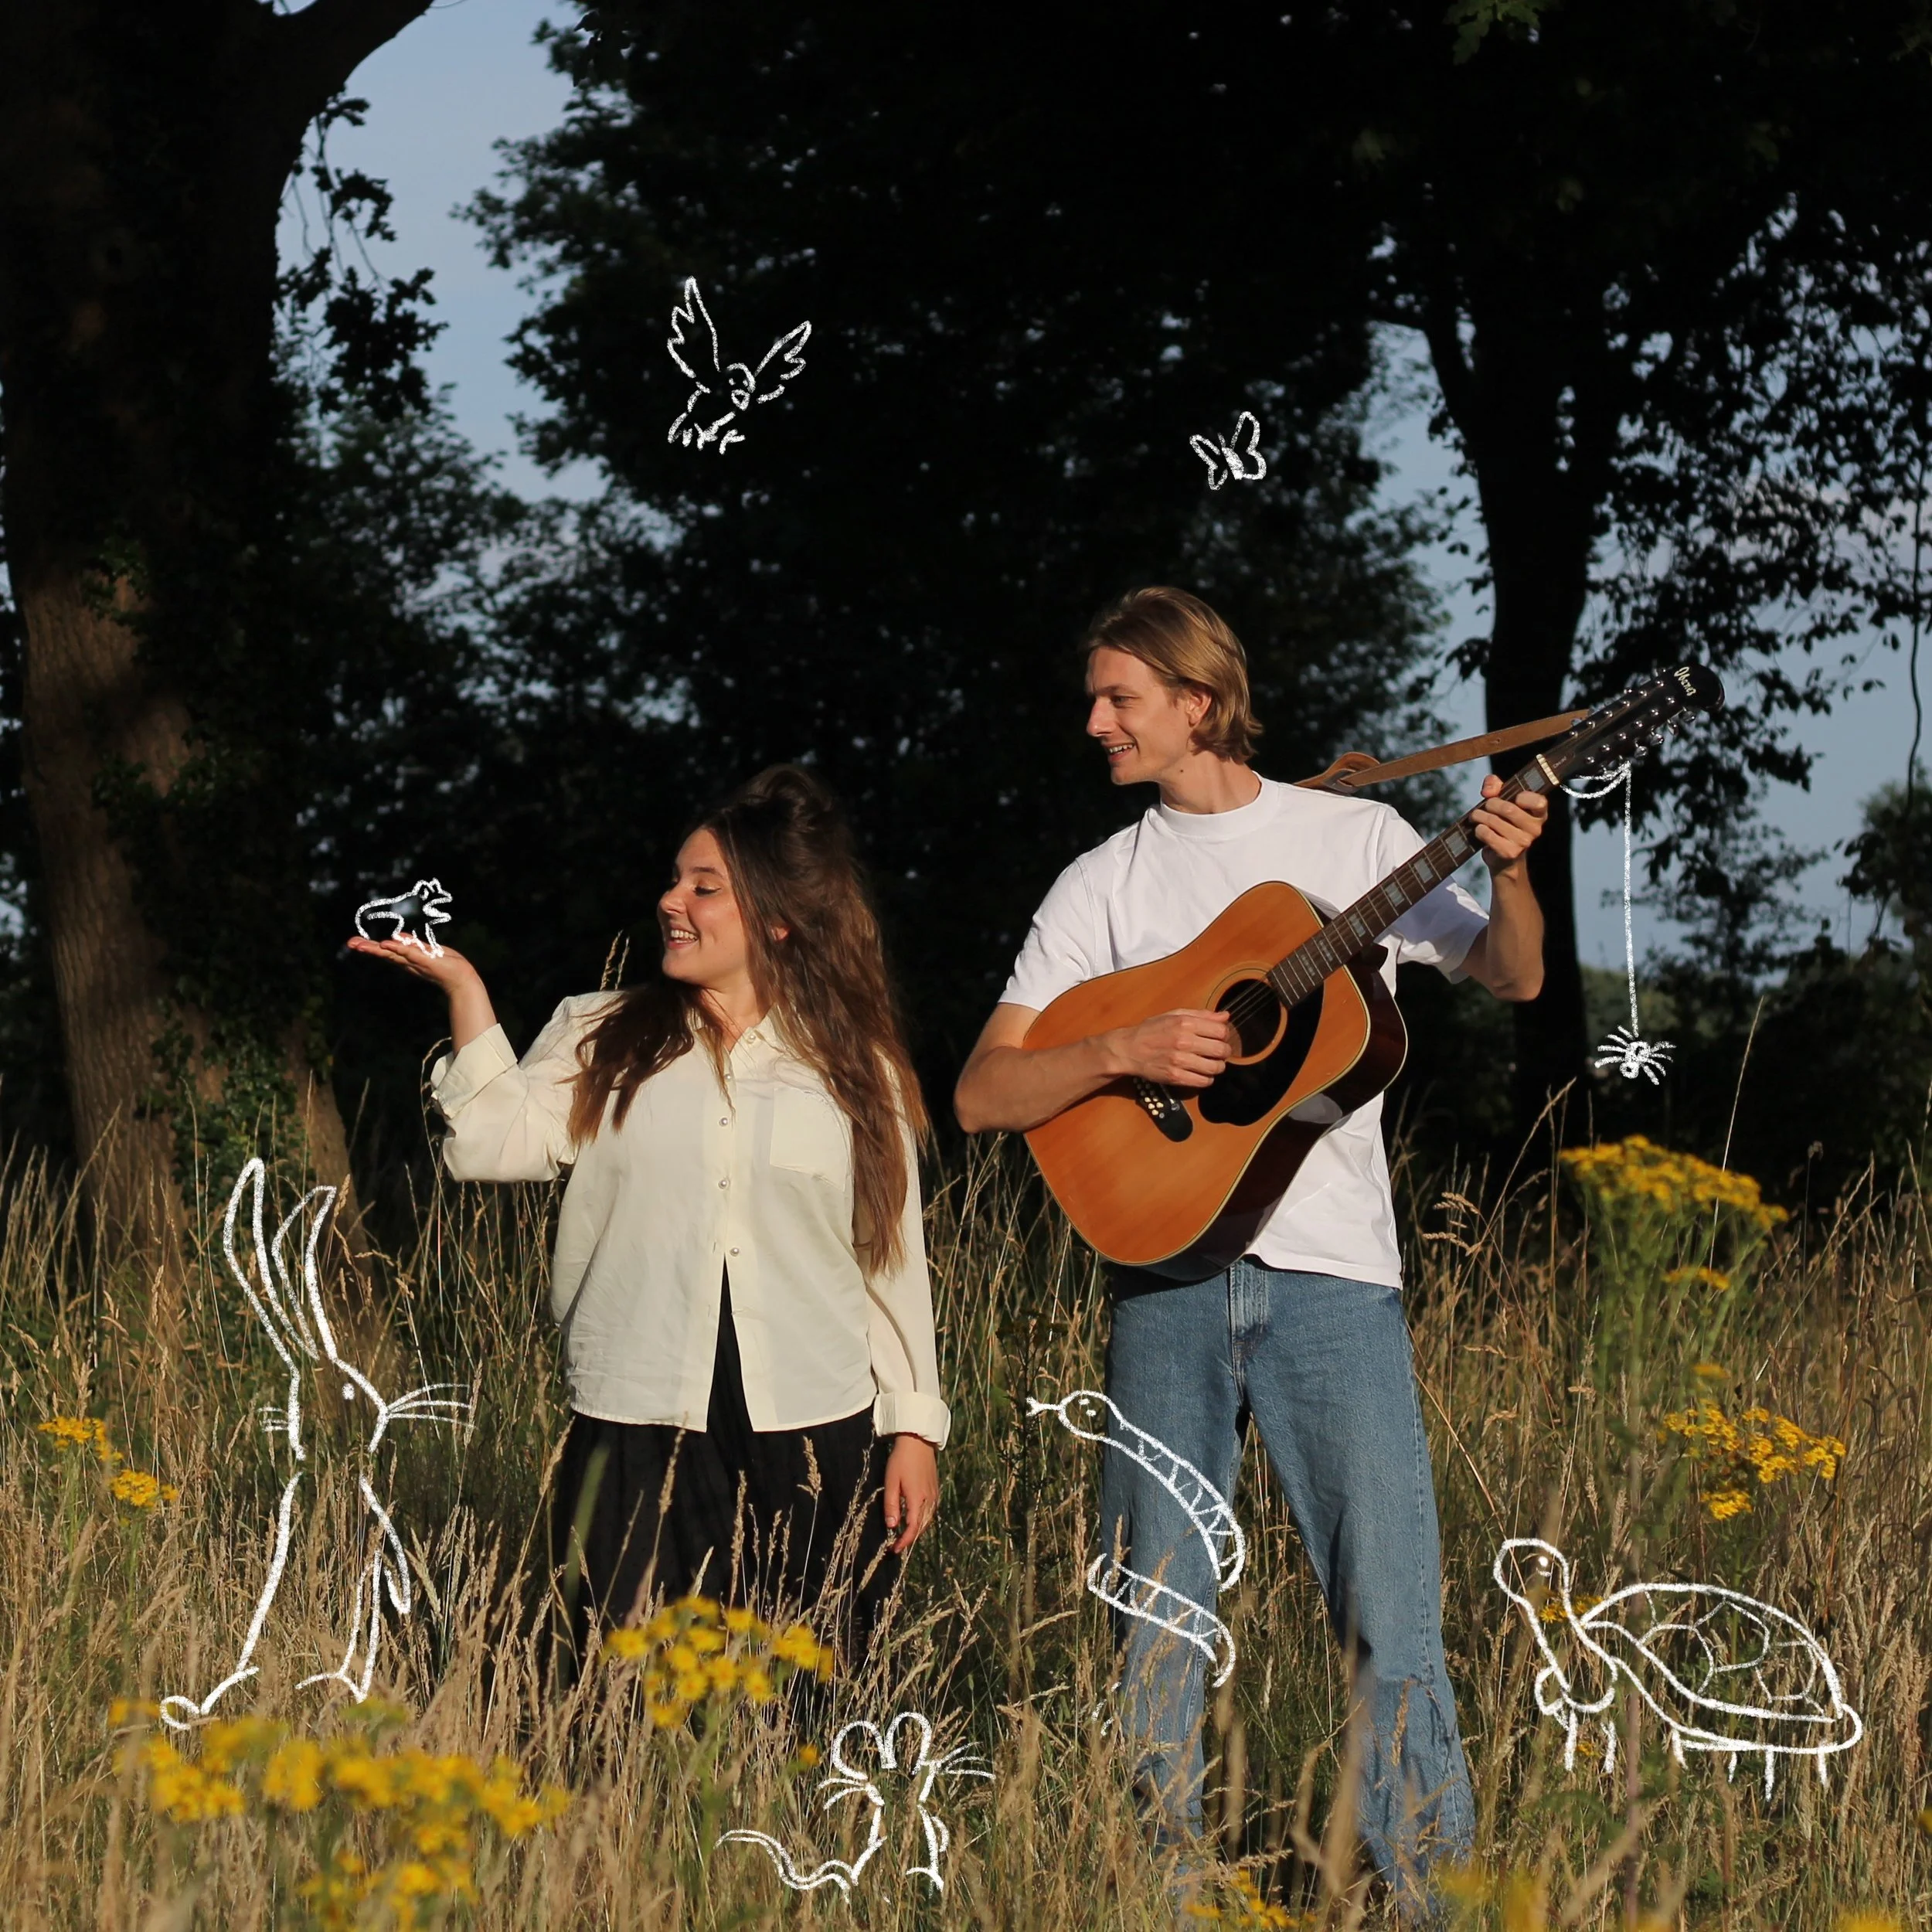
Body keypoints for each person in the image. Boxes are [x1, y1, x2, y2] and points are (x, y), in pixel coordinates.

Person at [954, 588, 1549, 1910]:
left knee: (1391, 1617)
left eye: (1121, 699)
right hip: (1161, 1277)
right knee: (1153, 1619)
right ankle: (1149, 1894)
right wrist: (1123, 1047)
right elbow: (984, 1094)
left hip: (1337, 1282)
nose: (1096, 721)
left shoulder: (1356, 836)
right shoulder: (1102, 881)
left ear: (1199, 703)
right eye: (1095, 699)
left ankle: (1434, 1902)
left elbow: (1513, 978)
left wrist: (1507, 868)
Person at [352, 765, 949, 1672]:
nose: (672, 901)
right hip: (633, 1416)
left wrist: (913, 1427)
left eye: (705, 887)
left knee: (805, 1691)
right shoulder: (603, 1031)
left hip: (815, 1429)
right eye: (674, 879)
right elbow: (488, 1145)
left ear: (777, 919)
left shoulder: (857, 1071)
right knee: (620, 1689)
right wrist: (465, 992)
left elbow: (889, 1260)